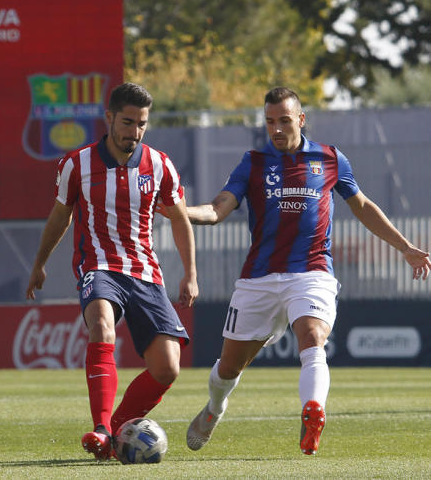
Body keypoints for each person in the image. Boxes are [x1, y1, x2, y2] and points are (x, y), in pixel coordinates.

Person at [182, 86, 431, 456]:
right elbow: (218, 209)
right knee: (228, 368)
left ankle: (313, 411)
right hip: (259, 279)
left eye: (284, 120)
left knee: (312, 337)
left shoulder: (330, 159)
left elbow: (361, 205)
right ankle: (215, 408)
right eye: (270, 122)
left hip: (312, 272)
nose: (277, 129)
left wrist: (406, 248)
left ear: (301, 119)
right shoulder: (252, 162)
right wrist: (181, 212)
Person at [26, 82, 198, 461]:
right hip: (99, 266)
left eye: (141, 124)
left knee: (167, 368)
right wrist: (39, 263)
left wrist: (190, 273)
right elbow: (60, 218)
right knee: (101, 322)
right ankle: (102, 425)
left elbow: (180, 219)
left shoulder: (161, 165)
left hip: (145, 273)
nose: (133, 132)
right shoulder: (78, 163)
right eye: (127, 122)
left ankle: (114, 433)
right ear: (109, 118)